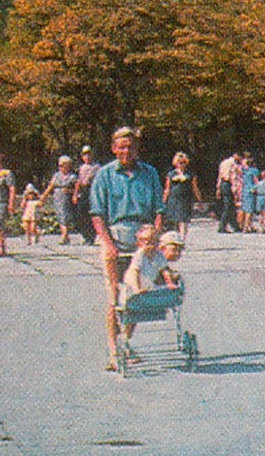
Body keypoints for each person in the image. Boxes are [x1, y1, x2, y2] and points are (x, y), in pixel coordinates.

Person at [89, 126, 163, 370]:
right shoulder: (105, 175)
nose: (126, 151)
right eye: (121, 146)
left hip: (143, 240)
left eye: (130, 147)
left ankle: (125, 343)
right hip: (115, 238)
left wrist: (154, 238)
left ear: (137, 149)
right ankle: (113, 352)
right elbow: (97, 214)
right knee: (114, 297)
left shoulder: (149, 173)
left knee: (136, 296)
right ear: (113, 148)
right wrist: (108, 244)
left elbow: (158, 211)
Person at [162, 152, 202, 242]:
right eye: (179, 162)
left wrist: (199, 200)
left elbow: (195, 187)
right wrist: (163, 201)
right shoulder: (170, 174)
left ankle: (182, 239)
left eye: (183, 162)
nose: (181, 164)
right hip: (173, 198)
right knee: (174, 220)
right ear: (175, 163)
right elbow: (167, 188)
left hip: (185, 199)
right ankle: (175, 238)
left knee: (184, 220)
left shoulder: (190, 174)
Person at [45, 157, 76, 245]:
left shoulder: (72, 176)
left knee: (64, 215)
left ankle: (64, 235)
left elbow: (77, 189)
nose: (61, 167)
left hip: (66, 197)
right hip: (57, 196)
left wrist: (70, 191)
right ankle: (66, 236)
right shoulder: (56, 175)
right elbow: (50, 186)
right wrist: (43, 197)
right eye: (60, 165)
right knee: (60, 215)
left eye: (63, 165)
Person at [73, 146, 100, 244]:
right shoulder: (81, 167)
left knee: (92, 213)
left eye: (89, 154)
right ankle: (85, 234)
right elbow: (79, 181)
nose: (87, 157)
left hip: (92, 190)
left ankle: (92, 235)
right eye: (85, 155)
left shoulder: (96, 167)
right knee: (81, 213)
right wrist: (75, 194)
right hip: (83, 191)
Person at [215, 151, 240, 233]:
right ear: (235, 155)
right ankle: (222, 226)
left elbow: (220, 175)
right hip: (228, 184)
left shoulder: (223, 162)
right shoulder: (233, 164)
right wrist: (235, 191)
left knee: (230, 206)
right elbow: (233, 177)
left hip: (222, 183)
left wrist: (218, 188)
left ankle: (235, 226)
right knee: (228, 206)